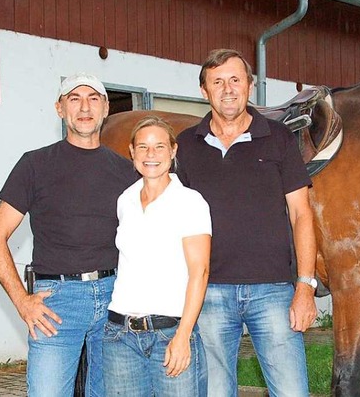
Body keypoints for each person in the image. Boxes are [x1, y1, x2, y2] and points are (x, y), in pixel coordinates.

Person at [0, 72, 137, 396]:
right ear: (59, 108)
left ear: (106, 108)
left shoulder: (126, 171)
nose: (84, 107)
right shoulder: (35, 164)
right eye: (74, 99)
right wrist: (23, 302)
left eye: (93, 98)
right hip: (57, 303)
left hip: (114, 296)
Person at [176, 48, 318, 397]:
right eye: (218, 81)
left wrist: (305, 287)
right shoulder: (185, 146)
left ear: (249, 87)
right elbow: (173, 221)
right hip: (208, 292)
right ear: (204, 90)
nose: (228, 89)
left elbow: (302, 214)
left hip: (272, 291)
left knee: (292, 392)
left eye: (235, 80)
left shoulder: (279, 138)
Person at [103, 116, 212, 396]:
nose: (151, 155)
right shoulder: (124, 200)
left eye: (159, 147)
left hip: (170, 333)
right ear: (132, 152)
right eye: (143, 147)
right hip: (120, 335)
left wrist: (183, 336)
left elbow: (199, 272)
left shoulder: (190, 202)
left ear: (173, 151)